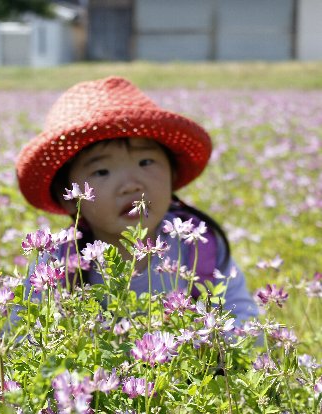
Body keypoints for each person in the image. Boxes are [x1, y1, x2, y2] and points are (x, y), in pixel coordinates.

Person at [15, 76, 258, 322]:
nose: (131, 185)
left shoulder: (198, 246)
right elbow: (20, 330)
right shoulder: (57, 262)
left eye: (146, 162)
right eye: (102, 172)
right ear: (67, 197)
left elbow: (243, 318)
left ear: (172, 175)